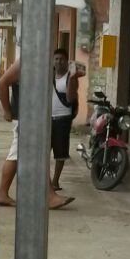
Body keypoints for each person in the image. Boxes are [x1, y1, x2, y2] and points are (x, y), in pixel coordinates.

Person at [0, 55, 73, 211]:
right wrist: (7, 110)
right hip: (25, 117)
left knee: (16, 155)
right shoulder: (24, 62)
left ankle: (2, 193)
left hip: (32, 117)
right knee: (37, 155)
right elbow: (2, 83)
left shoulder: (40, 61)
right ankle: (49, 196)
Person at [50, 49, 79, 196]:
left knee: (60, 152)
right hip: (47, 118)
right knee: (44, 151)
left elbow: (70, 98)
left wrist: (73, 79)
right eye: (56, 59)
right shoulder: (48, 75)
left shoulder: (70, 77)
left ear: (66, 61)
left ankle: (55, 181)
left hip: (63, 119)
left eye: (61, 59)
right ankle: (47, 182)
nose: (58, 62)